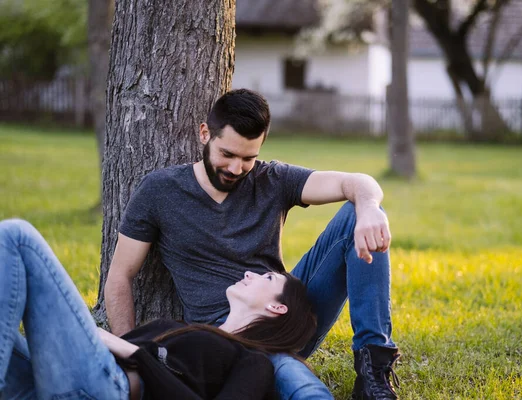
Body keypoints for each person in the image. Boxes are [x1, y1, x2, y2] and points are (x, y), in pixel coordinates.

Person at [105, 89, 400, 400]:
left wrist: (368, 208)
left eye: (248, 158)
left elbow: (355, 182)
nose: (236, 169)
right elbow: (120, 276)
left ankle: (374, 371)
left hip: (284, 311)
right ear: (205, 133)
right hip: (227, 335)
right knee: (290, 376)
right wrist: (132, 354)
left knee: (361, 211)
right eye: (227, 154)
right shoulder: (160, 191)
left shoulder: (273, 179)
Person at [0, 219, 316, 400]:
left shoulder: (253, 363)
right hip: (63, 378)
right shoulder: (186, 327)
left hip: (109, 389)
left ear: (278, 307)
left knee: (17, 237)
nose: (251, 273)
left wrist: (135, 355)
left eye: (268, 277)